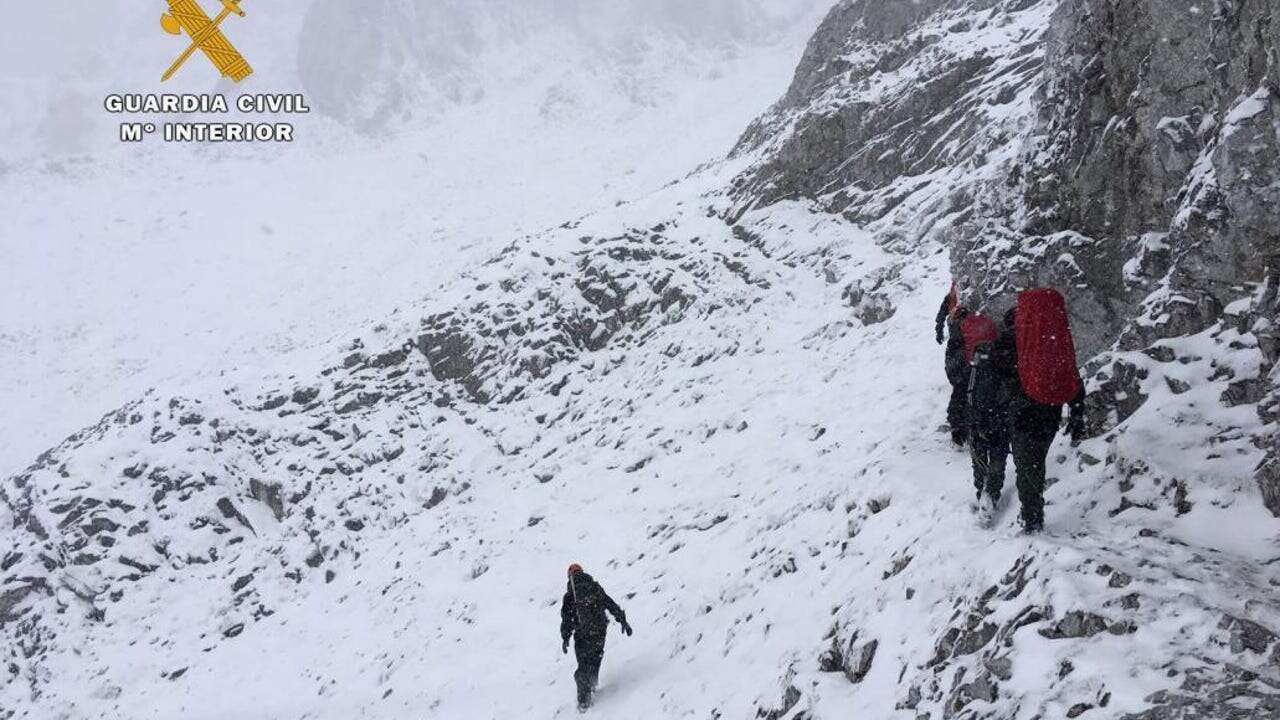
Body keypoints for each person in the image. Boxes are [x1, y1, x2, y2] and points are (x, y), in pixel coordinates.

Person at [991, 292, 1086, 533]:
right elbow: (1072, 376)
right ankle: (1032, 513)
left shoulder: (1009, 339)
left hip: (1023, 414)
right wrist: (1076, 413)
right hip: (1050, 412)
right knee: (1036, 462)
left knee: (1027, 468)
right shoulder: (1054, 341)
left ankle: (1032, 521)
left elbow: (994, 374)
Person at [561, 564, 632, 711]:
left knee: (583, 664)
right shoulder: (594, 587)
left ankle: (583, 702)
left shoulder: (570, 595)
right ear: (582, 572)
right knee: (595, 657)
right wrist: (623, 620)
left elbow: (566, 619)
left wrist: (565, 638)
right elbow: (609, 603)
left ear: (569, 577)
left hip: (583, 634)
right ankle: (591, 685)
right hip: (600, 631)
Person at [961, 311, 1006, 526]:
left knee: (979, 462)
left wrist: (959, 424)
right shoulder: (1002, 363)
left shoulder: (971, 368)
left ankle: (982, 494)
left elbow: (959, 396)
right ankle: (992, 494)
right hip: (999, 421)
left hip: (976, 421)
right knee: (997, 460)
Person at [936, 285, 970, 446]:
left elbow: (942, 312)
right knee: (964, 396)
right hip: (967, 369)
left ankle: (959, 430)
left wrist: (939, 328)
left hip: (960, 370)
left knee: (959, 396)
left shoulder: (951, 297)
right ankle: (962, 429)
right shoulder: (966, 333)